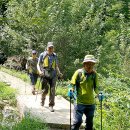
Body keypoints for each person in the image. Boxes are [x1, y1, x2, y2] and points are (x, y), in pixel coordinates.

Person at [68, 55, 99, 130]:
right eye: (88, 64)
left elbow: (96, 87)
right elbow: (72, 84)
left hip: (91, 103)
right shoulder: (78, 73)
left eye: (92, 64)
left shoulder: (94, 74)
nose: (90, 66)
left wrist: (99, 94)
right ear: (84, 64)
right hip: (79, 103)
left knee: (89, 123)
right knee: (78, 122)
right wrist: (71, 90)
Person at [37, 42, 62, 112]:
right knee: (45, 90)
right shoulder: (42, 54)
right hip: (44, 74)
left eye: (52, 48)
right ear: (47, 48)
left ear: (53, 48)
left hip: (53, 74)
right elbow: (38, 64)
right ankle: (42, 99)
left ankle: (51, 105)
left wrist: (59, 73)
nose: (51, 49)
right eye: (49, 48)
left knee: (52, 90)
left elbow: (56, 66)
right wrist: (40, 71)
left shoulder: (55, 56)